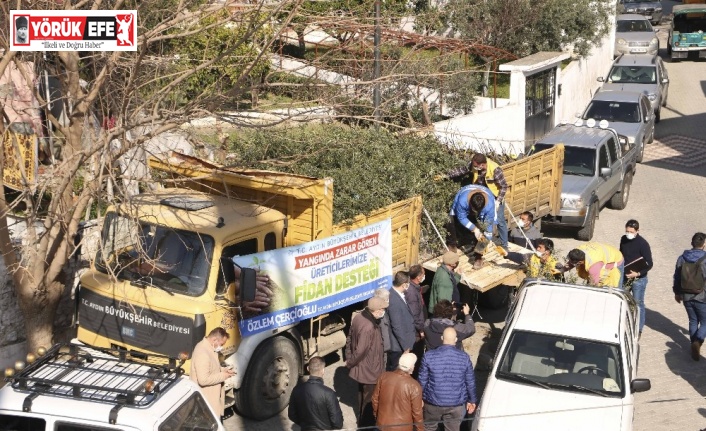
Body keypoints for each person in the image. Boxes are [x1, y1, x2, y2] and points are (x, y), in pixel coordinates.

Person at [418, 328, 478, 431]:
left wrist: (418, 398)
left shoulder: (428, 356)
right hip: (456, 404)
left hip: (432, 402)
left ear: (442, 338)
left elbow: (422, 380)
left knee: (429, 428)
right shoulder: (464, 357)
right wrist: (472, 400)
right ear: (455, 339)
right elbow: (470, 382)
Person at [345, 297, 388, 427]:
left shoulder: (358, 317)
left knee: (361, 396)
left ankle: (361, 421)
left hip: (363, 368)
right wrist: (350, 362)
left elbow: (349, 338)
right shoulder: (369, 326)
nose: (383, 311)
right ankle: (365, 425)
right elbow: (361, 350)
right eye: (382, 309)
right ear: (377, 310)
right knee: (369, 401)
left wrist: (348, 356)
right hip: (369, 370)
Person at [672, 232, 706, 361]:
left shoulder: (682, 258)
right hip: (702, 296)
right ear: (703, 245)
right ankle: (697, 342)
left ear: (692, 243)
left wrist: (676, 293)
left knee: (693, 320)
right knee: (704, 322)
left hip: (686, 295)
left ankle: (693, 344)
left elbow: (677, 277)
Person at [190, 327, 236, 419]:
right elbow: (203, 380)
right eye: (221, 344)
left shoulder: (209, 348)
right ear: (214, 339)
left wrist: (224, 370)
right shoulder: (203, 353)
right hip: (206, 404)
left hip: (210, 401)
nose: (221, 347)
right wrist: (223, 376)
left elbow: (211, 368)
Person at [288, 356, 344, 430]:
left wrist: (304, 424)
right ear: (323, 370)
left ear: (308, 369)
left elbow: (292, 415)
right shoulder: (329, 394)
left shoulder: (297, 389)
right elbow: (337, 423)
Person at [372, 352, 424, 431]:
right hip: (403, 428)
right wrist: (420, 429)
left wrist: (378, 416)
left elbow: (375, 400)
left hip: (382, 425)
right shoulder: (414, 386)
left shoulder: (384, 376)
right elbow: (417, 413)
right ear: (411, 367)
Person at [619, 219, 653, 335]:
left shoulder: (643, 244)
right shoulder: (623, 239)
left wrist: (637, 274)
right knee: (621, 299)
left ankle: (638, 329)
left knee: (638, 304)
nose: (629, 234)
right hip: (626, 276)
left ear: (637, 231)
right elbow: (621, 254)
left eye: (631, 232)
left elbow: (649, 264)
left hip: (639, 279)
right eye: (627, 231)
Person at [446, 184, 496, 251]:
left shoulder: (490, 206)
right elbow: (461, 217)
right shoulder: (462, 201)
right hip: (464, 195)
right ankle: (452, 245)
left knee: (482, 228)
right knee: (451, 221)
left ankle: (476, 249)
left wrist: (486, 240)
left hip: (486, 204)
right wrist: (474, 229)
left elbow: (488, 225)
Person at [387, 271, 417, 371]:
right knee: (397, 369)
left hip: (402, 343)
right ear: (404, 285)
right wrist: (406, 347)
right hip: (398, 346)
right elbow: (397, 326)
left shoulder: (397, 294)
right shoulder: (394, 300)